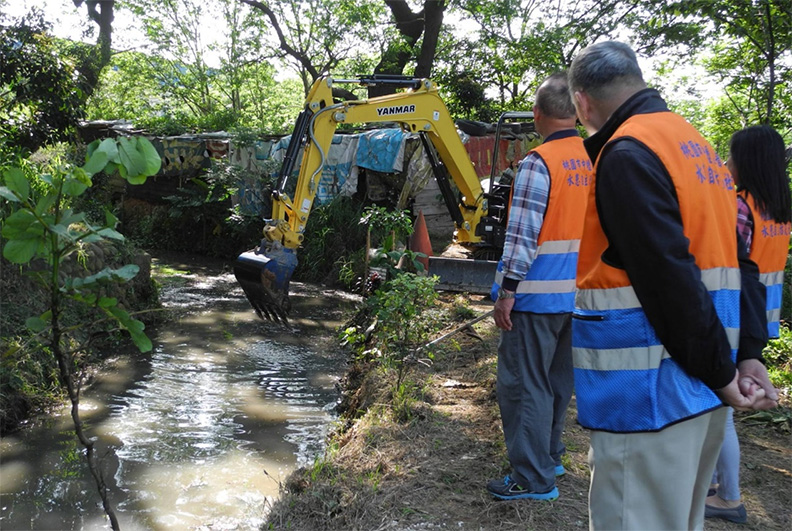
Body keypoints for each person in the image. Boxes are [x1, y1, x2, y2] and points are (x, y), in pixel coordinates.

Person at [567, 41, 779, 530]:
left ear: (582, 102)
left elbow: (670, 280)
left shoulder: (627, 153)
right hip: (701, 389)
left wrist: (725, 374)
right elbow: (741, 264)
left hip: (648, 397)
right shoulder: (696, 147)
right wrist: (746, 355)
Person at [487, 72, 593, 501]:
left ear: (537, 114)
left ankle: (532, 478)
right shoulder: (595, 158)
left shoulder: (538, 162)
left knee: (523, 385)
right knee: (556, 382)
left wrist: (507, 291)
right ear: (578, 111)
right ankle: (550, 455)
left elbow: (522, 236)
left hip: (536, 297)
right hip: (582, 295)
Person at [706, 125, 792, 524]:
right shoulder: (777, 208)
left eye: (732, 155)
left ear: (747, 162)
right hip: (762, 316)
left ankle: (729, 496)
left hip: (736, 315)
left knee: (720, 408)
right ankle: (710, 483)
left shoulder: (741, 206)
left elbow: (731, 263)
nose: (727, 162)